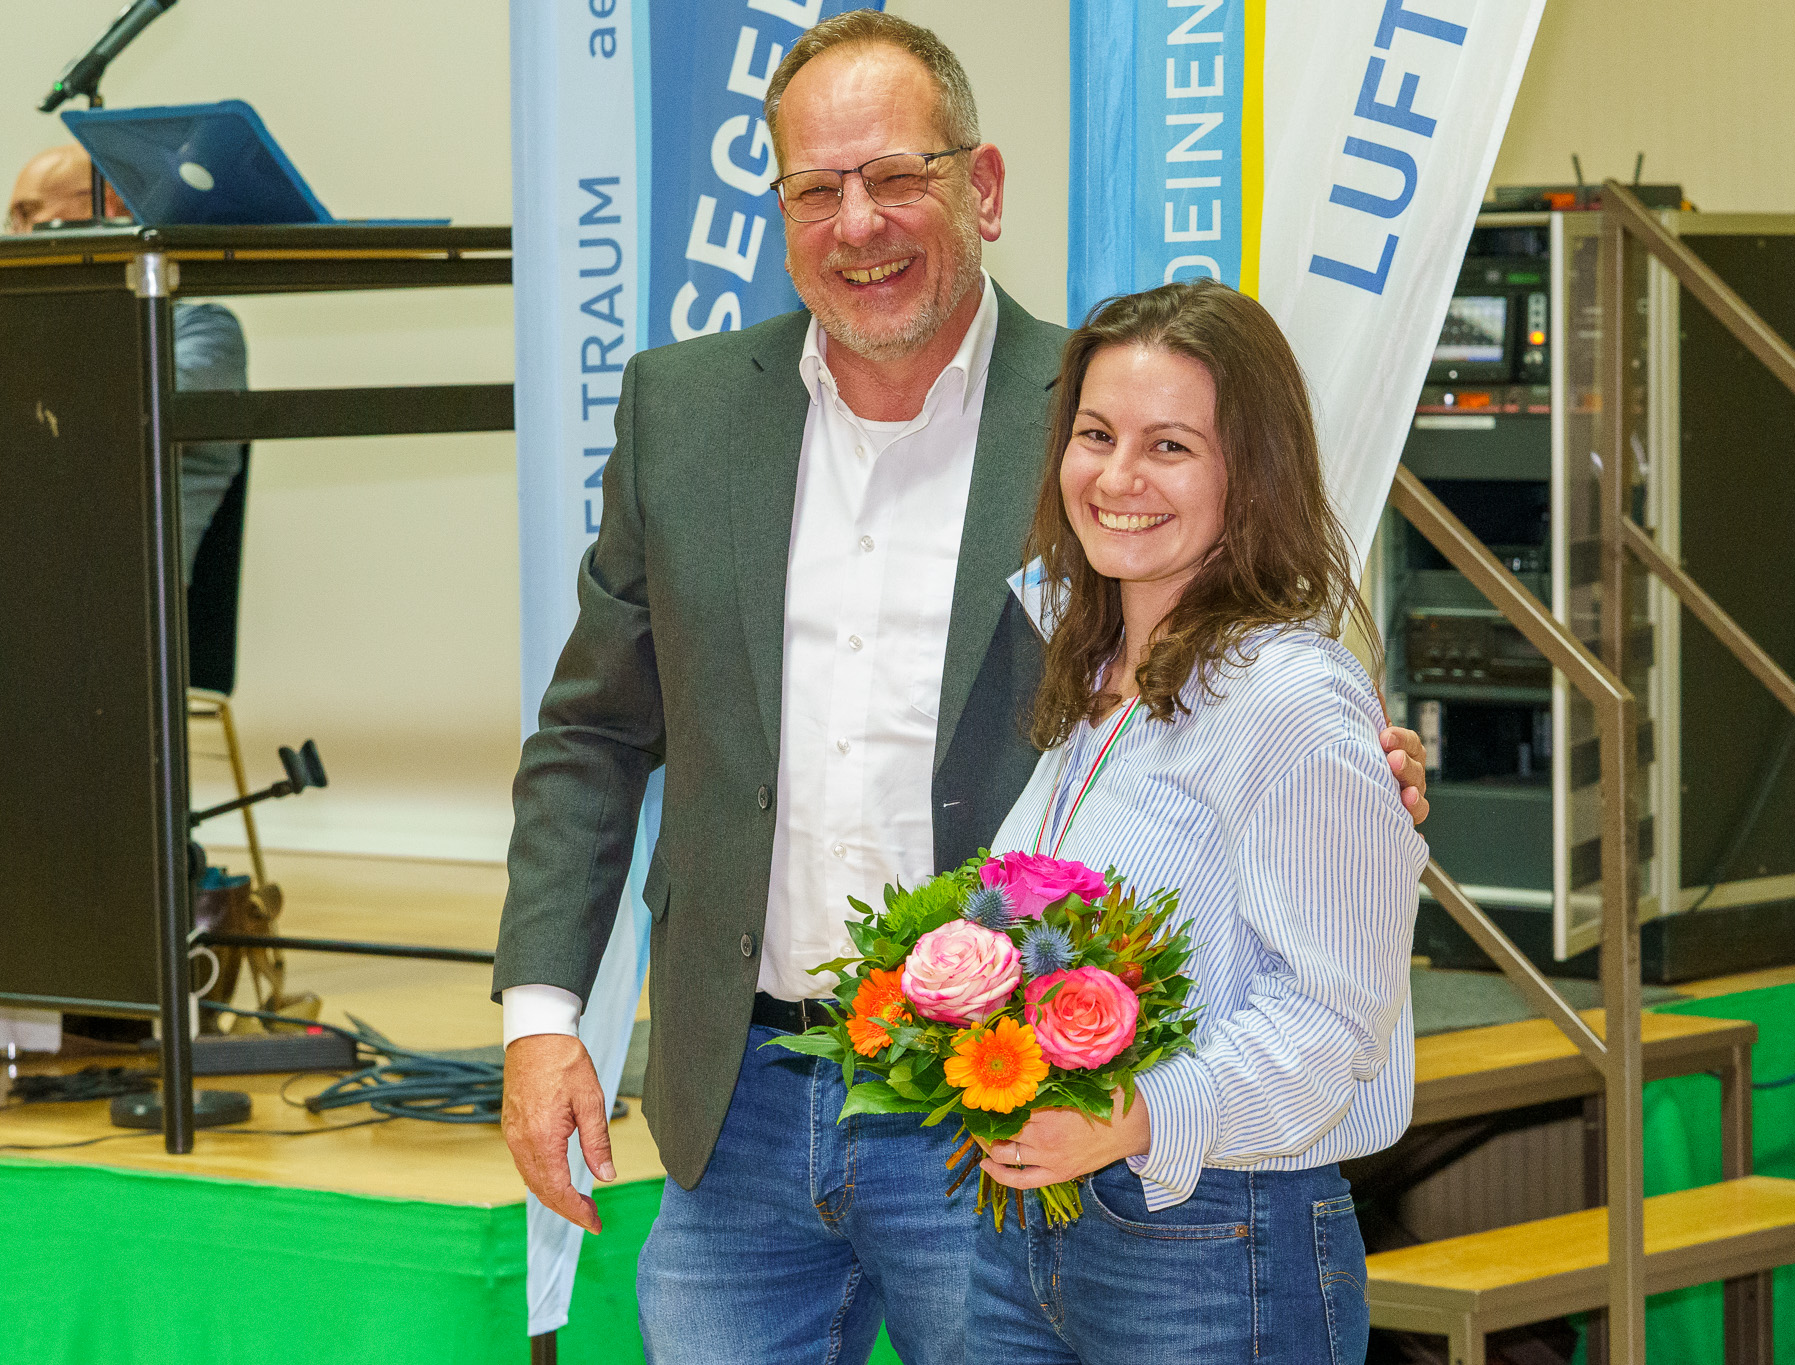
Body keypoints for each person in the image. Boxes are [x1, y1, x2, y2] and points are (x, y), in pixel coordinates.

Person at [490, 13, 1429, 1363]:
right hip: (736, 1099)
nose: (858, 223)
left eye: (896, 177)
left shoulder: (1099, 414)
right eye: (816, 188)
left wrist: (1357, 766)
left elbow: (1251, 654)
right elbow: (590, 732)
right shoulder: (680, 411)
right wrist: (541, 1021)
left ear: (980, 187)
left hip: (1002, 1114)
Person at [971, 278, 1426, 1364]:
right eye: (1095, 435)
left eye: (1168, 446)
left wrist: (1131, 1116)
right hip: (1031, 1236)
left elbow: (1333, 1022)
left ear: (1249, 474)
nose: (1115, 477)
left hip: (1216, 1246)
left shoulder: (1288, 698)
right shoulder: (1089, 667)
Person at [7, 144, 249, 583]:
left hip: (109, 597)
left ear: (110, 205)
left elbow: (121, 419)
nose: (15, 233)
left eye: (27, 212)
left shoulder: (200, 330)